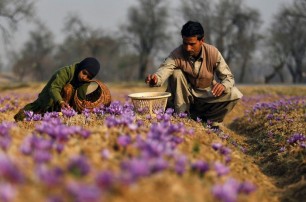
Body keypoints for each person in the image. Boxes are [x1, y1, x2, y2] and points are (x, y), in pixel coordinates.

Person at [145, 21, 243, 129]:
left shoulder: (213, 53)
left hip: (206, 95)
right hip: (184, 97)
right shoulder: (176, 54)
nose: (187, 48)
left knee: (234, 93)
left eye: (192, 44)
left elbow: (228, 77)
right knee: (176, 73)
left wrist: (223, 85)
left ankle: (210, 120)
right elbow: (164, 69)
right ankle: (182, 117)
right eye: (185, 43)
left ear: (202, 41)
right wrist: (156, 79)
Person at [14, 57, 101, 121]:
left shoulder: (85, 82)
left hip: (65, 107)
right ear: (81, 67)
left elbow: (80, 98)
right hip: (49, 100)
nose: (84, 77)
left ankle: (58, 116)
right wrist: (61, 102)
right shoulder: (66, 72)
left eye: (88, 77)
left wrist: (85, 106)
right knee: (27, 117)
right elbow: (54, 88)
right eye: (84, 73)